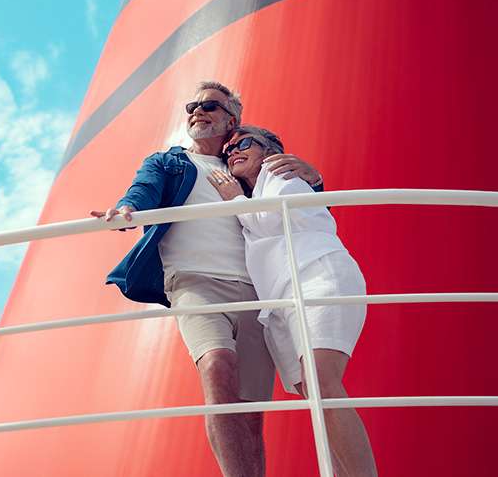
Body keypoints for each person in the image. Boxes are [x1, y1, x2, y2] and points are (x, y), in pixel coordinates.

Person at [91, 82, 323, 477]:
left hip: (254, 289)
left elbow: (297, 206)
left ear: (231, 119)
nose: (197, 111)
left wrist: (315, 179)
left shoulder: (246, 166)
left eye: (209, 106)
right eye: (192, 106)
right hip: (195, 282)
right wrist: (129, 207)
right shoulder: (171, 162)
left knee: (251, 411)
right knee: (216, 365)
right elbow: (144, 188)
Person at [207, 125, 377, 477]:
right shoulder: (254, 195)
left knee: (322, 383)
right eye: (228, 151)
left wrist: (233, 199)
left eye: (245, 144)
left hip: (316, 275)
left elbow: (272, 219)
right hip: (284, 298)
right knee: (313, 393)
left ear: (269, 150)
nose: (233, 152)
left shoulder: (281, 173)